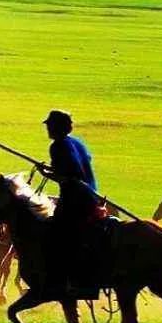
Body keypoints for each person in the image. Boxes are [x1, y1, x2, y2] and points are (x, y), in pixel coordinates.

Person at [36, 110, 102, 298]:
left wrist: (47, 174)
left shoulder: (57, 146)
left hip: (75, 201)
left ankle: (65, 282)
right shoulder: (77, 143)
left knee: (55, 237)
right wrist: (50, 169)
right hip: (92, 196)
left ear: (57, 127)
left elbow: (72, 176)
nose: (47, 128)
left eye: (50, 125)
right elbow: (74, 168)